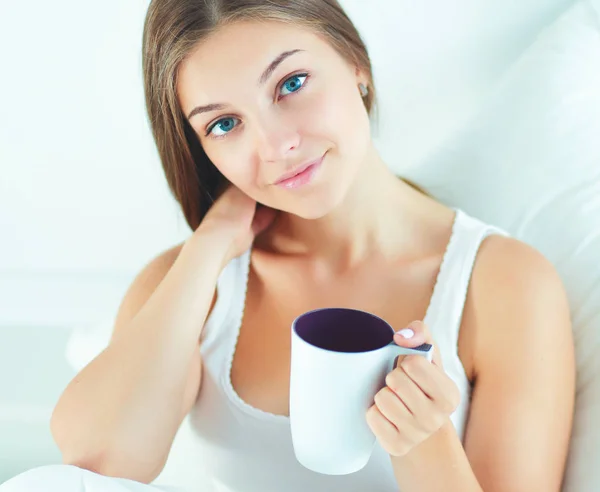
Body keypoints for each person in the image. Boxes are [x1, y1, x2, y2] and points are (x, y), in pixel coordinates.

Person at [2, 1, 575, 491]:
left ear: (355, 65)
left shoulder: (504, 285)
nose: (277, 146)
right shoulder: (193, 281)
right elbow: (94, 468)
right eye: (224, 125)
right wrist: (209, 248)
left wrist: (423, 443)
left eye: (291, 84)